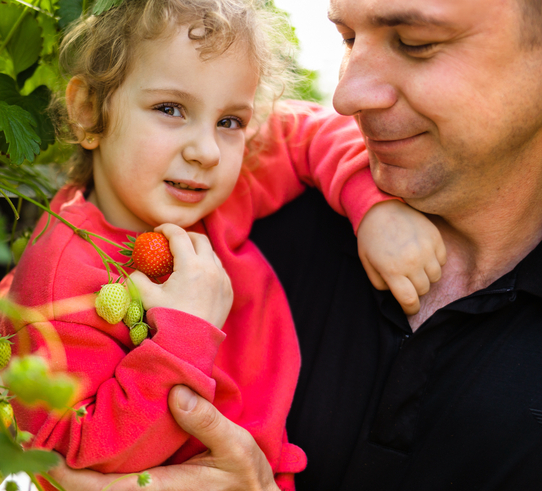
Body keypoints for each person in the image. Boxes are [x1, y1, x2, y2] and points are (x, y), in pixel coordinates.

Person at [43, 0, 542, 489]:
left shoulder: (219, 189)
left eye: (417, 42)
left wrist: (370, 203)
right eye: (347, 38)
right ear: (88, 110)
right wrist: (184, 334)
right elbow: (68, 456)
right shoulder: (69, 273)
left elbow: (301, 131)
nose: (345, 95)